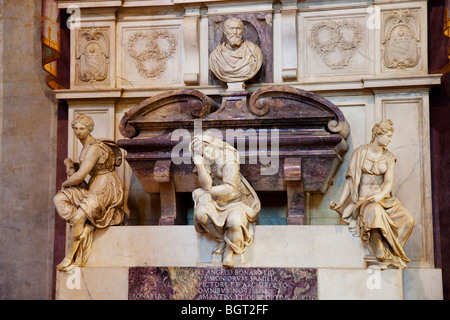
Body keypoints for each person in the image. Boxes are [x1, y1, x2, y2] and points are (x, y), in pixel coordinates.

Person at [330, 119, 414, 268]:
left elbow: (388, 182)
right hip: (364, 200)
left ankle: (391, 250)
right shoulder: (359, 153)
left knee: (408, 220)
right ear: (377, 134)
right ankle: (378, 246)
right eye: (387, 136)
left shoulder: (389, 158)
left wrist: (381, 195)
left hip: (383, 199)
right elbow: (350, 180)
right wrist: (341, 202)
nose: (389, 140)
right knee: (374, 211)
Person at [53, 113, 124, 271]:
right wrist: (73, 166)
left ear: (89, 129)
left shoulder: (94, 148)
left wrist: (65, 183)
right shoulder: (86, 146)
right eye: (76, 128)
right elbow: (84, 170)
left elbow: (79, 177)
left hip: (106, 186)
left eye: (82, 128)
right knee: (59, 199)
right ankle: (87, 224)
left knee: (78, 215)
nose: (78, 131)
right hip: (94, 184)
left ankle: (70, 256)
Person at [190, 135, 260, 267]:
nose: (203, 154)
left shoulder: (228, 158)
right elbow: (206, 185)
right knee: (201, 215)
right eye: (199, 153)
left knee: (235, 222)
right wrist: (200, 164)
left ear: (211, 145)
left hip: (235, 201)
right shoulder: (206, 160)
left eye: (204, 150)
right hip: (216, 200)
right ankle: (222, 240)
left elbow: (230, 190)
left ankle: (229, 251)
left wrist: (206, 192)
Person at [209, 17, 263, 84]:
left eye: (238, 29)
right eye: (231, 29)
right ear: (225, 32)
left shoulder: (254, 52)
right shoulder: (215, 56)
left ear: (242, 31)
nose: (235, 32)